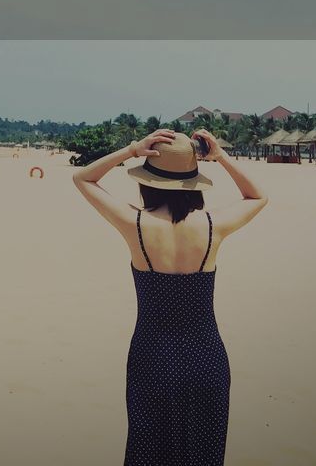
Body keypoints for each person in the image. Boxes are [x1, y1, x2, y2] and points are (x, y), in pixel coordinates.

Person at [72, 128, 268, 465]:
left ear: (147, 181)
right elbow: (257, 196)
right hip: (206, 359)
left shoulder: (134, 223)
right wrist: (220, 156)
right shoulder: (212, 225)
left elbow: (83, 179)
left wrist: (132, 149)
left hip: (153, 359)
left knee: (148, 453)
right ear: (194, 182)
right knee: (203, 455)